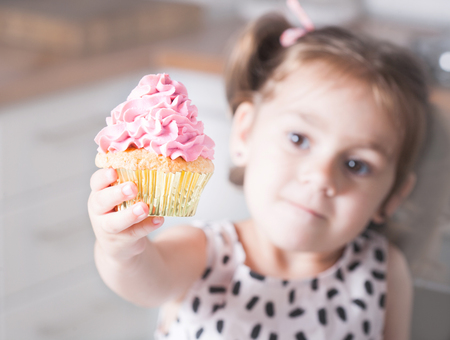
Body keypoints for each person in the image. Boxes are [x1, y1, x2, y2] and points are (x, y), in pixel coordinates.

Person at [88, 1, 430, 339]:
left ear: (393, 195)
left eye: (356, 164)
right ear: (244, 133)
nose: (321, 177)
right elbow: (143, 280)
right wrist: (119, 250)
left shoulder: (384, 270)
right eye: (299, 139)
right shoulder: (203, 252)